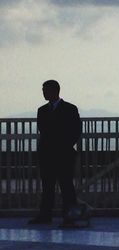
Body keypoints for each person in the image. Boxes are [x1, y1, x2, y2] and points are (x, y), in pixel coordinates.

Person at [30, 79, 82, 224]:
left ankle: (69, 218)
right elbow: (44, 130)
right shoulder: (42, 110)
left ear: (54, 91)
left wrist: (63, 145)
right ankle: (45, 215)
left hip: (63, 154)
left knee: (67, 187)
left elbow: (76, 130)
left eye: (45, 90)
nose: (43, 93)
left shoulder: (70, 109)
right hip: (48, 154)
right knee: (48, 187)